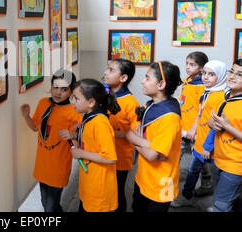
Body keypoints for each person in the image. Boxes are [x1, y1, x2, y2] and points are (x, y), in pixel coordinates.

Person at [20, 69, 81, 212]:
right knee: (45, 201)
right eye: (55, 87)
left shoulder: (73, 111)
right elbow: (35, 127)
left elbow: (80, 140)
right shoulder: (43, 103)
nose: (58, 92)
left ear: (72, 91)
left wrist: (73, 134)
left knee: (51, 206)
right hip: (42, 164)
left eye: (64, 89)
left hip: (59, 166)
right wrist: (26, 116)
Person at [126, 61, 183, 212]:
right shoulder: (151, 105)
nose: (142, 81)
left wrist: (135, 140)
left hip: (163, 183)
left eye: (147, 78)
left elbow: (151, 155)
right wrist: (145, 143)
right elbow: (150, 150)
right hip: (143, 178)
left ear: (161, 84)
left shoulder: (170, 117)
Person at [171, 60, 227, 208]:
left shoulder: (220, 98)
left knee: (219, 177)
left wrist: (208, 147)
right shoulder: (206, 93)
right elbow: (200, 115)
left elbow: (216, 127)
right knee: (192, 172)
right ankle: (186, 197)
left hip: (212, 146)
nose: (205, 77)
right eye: (204, 73)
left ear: (221, 76)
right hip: (199, 142)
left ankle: (218, 205)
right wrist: (193, 130)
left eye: (211, 74)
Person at [61, 78, 120, 212]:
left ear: (91, 102)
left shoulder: (100, 123)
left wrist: (81, 153)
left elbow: (110, 158)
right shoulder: (89, 117)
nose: (72, 102)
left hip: (99, 191)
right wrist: (75, 136)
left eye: (76, 98)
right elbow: (92, 141)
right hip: (89, 183)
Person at [102, 59, 139, 212]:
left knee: (117, 193)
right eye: (107, 69)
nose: (105, 72)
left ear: (123, 78)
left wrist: (112, 132)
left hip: (120, 158)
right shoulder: (103, 96)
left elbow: (136, 134)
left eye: (111, 70)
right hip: (101, 154)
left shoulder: (131, 103)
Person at [207, 59, 242, 212]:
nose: (232, 76)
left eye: (239, 74)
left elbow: (227, 125)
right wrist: (211, 123)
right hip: (220, 158)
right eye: (232, 71)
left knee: (220, 204)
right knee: (229, 200)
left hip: (236, 164)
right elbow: (213, 118)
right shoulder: (226, 95)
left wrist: (227, 127)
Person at [179, 52, 208, 159]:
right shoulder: (186, 81)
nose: (187, 67)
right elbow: (183, 102)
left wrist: (193, 129)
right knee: (177, 154)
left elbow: (202, 109)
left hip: (194, 128)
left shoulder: (202, 85)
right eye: (187, 63)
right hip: (183, 126)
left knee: (198, 157)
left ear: (201, 68)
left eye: (192, 64)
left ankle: (205, 176)